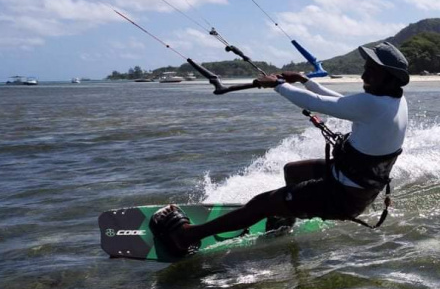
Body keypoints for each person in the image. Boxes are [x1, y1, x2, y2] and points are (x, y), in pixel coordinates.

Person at [149, 41, 410, 256]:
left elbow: (320, 103)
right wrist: (305, 79)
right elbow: (341, 101)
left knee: (261, 203)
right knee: (293, 172)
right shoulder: (392, 101)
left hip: (343, 196)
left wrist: (279, 85)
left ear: (388, 77)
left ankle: (185, 237)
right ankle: (282, 226)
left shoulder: (373, 105)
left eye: (370, 71)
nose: (364, 75)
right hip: (354, 184)